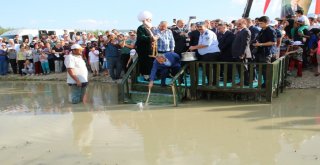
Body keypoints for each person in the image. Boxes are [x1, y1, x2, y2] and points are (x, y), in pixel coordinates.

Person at [253, 16, 277, 88]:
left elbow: (273, 42)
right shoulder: (262, 30)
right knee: (262, 70)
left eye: (261, 23)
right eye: (259, 23)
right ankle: (265, 84)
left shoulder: (271, 30)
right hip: (261, 52)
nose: (259, 24)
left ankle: (268, 85)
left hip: (266, 53)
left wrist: (260, 44)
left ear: (267, 23)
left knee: (266, 70)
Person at [136, 11, 157, 80]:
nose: (151, 20)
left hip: (150, 48)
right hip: (143, 49)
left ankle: (151, 75)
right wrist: (151, 38)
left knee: (150, 62)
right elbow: (141, 37)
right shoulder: (141, 28)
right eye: (149, 19)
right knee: (144, 62)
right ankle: (146, 75)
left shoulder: (150, 28)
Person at [231, 18, 252, 86]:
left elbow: (245, 44)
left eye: (240, 24)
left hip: (242, 54)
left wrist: (242, 53)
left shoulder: (246, 31)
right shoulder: (241, 31)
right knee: (240, 69)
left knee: (243, 69)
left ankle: (245, 82)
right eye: (237, 24)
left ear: (245, 23)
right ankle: (243, 81)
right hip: (238, 53)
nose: (238, 25)